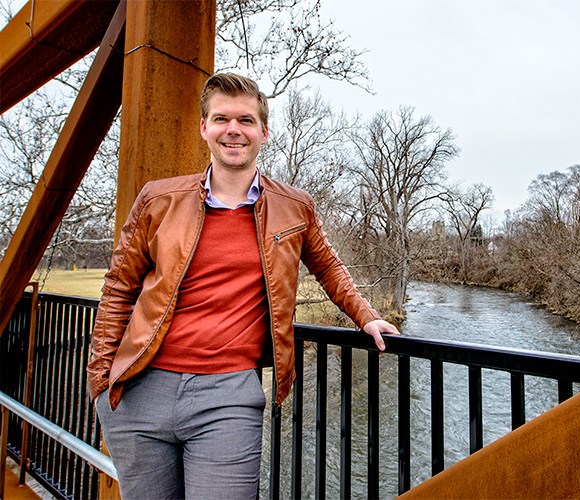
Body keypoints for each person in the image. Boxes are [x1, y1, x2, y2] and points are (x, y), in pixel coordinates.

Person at [86, 73, 399, 499]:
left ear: (263, 132)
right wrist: (101, 383)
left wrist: (368, 316)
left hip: (228, 395)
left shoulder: (294, 207)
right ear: (204, 128)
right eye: (222, 119)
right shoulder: (158, 199)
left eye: (246, 121)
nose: (234, 130)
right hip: (142, 388)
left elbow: (329, 268)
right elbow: (119, 287)